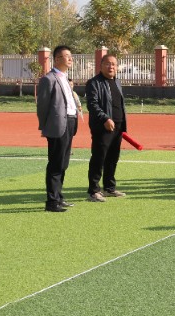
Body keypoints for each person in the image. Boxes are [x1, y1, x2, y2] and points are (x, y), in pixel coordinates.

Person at [37, 45, 79, 212]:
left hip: (70, 122)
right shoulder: (49, 79)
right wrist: (45, 127)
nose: (70, 59)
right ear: (57, 59)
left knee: (63, 163)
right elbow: (42, 106)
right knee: (55, 163)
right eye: (66, 56)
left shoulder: (65, 79)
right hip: (57, 126)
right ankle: (52, 202)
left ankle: (59, 197)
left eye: (70, 56)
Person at [85, 54, 128, 202]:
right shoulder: (94, 83)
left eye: (114, 64)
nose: (111, 67)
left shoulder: (117, 81)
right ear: (101, 65)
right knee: (99, 158)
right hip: (102, 126)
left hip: (118, 125)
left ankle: (109, 188)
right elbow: (92, 104)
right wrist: (105, 118)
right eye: (108, 64)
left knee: (112, 158)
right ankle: (94, 191)